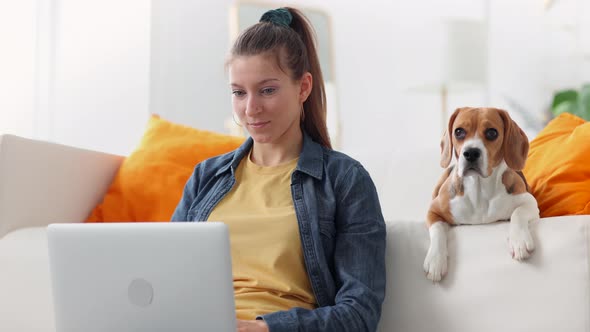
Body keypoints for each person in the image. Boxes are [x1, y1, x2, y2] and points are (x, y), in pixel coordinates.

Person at [171, 7, 386, 332]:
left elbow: (359, 314)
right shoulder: (206, 177)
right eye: (238, 92)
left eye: (267, 90)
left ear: (303, 88)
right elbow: (164, 278)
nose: (251, 108)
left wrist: (262, 328)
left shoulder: (345, 180)